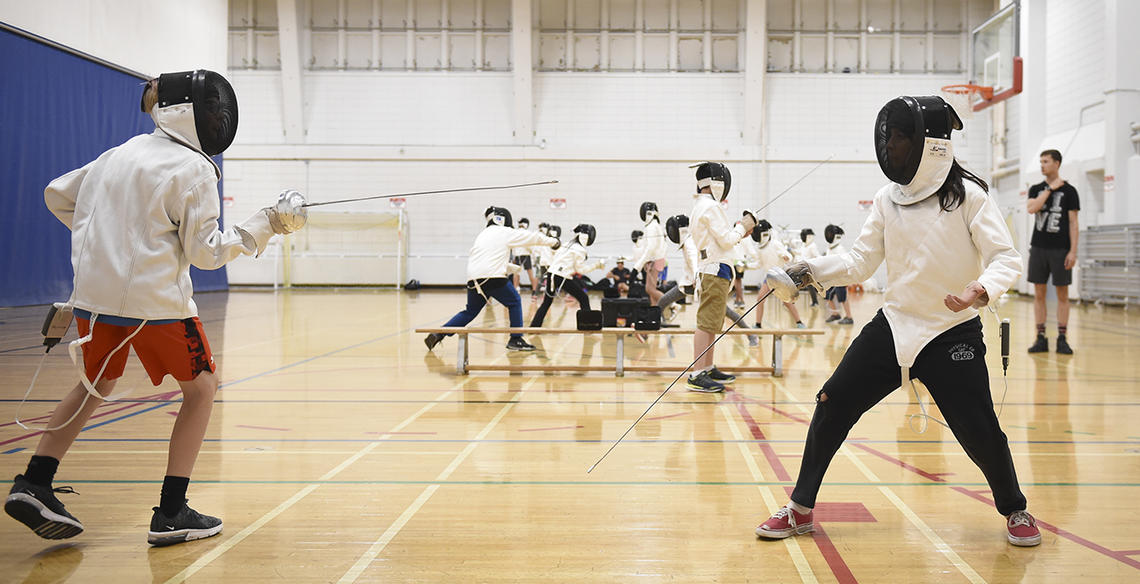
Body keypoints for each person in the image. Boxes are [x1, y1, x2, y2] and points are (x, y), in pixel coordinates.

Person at [5, 70, 305, 546]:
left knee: (95, 382)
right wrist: (265, 224)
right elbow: (207, 255)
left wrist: (106, 242)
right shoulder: (196, 169)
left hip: (95, 299)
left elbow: (58, 195)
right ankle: (171, 511)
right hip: (157, 307)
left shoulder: (118, 154)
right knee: (201, 391)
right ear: (192, 112)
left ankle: (34, 482)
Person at [755, 95, 1040, 548]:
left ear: (931, 145)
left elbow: (1005, 257)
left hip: (950, 331)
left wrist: (979, 289)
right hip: (895, 325)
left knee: (978, 428)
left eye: (901, 137)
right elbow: (859, 262)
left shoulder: (969, 196)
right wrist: (806, 271)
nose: (892, 145)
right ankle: (800, 508)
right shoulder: (889, 199)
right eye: (889, 137)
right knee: (832, 402)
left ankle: (1015, 507)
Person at [424, 207, 559, 352]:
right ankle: (516, 339)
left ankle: (439, 333)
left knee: (470, 311)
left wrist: (511, 268)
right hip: (491, 277)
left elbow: (487, 260)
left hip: (474, 279)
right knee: (514, 301)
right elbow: (532, 237)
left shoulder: (483, 235)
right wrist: (554, 242)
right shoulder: (503, 232)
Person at [686, 162, 757, 393]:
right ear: (717, 182)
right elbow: (726, 240)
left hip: (717, 267)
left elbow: (723, 241)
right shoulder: (710, 207)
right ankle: (697, 374)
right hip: (714, 269)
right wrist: (742, 225)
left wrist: (740, 231)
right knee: (706, 322)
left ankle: (707, 368)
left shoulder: (702, 206)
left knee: (712, 322)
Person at [1026, 149, 1080, 354]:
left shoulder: (1070, 191)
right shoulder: (1036, 188)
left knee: (1062, 293)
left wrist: (1073, 251)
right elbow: (1032, 208)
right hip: (1039, 248)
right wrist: (1049, 189)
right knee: (1039, 293)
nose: (1042, 165)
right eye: (1040, 162)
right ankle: (1040, 337)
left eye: (1046, 161)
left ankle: (1062, 338)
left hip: (1061, 249)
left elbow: (1074, 223)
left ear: (1057, 163)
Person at [530, 224, 605, 327]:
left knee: (547, 302)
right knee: (583, 298)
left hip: (551, 274)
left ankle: (534, 326)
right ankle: (587, 325)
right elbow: (581, 270)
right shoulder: (580, 250)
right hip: (562, 277)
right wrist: (597, 265)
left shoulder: (567, 244)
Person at [751, 220, 805, 329]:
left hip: (781, 277)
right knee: (760, 299)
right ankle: (758, 324)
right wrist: (746, 265)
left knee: (787, 302)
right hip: (769, 277)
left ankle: (799, 322)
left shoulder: (775, 244)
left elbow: (788, 255)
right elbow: (759, 264)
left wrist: (785, 256)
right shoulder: (760, 248)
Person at [631, 202, 668, 305]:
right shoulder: (656, 226)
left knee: (650, 289)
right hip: (657, 260)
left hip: (654, 260)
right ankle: (655, 312)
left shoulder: (651, 227)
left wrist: (637, 267)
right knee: (650, 289)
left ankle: (672, 305)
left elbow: (650, 248)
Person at [821, 224, 854, 325]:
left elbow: (845, 264)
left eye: (830, 233)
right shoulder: (829, 249)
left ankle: (849, 317)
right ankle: (835, 314)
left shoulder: (840, 249)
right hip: (831, 278)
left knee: (842, 298)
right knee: (827, 296)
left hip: (840, 279)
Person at [510, 217, 540, 296]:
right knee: (530, 274)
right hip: (526, 255)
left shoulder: (515, 233)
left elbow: (512, 245)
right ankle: (534, 291)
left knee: (516, 274)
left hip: (517, 256)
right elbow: (532, 247)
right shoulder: (528, 233)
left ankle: (515, 290)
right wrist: (534, 259)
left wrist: (513, 255)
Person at [797, 228, 821, 306]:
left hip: (810, 269)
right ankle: (815, 301)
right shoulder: (804, 245)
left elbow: (817, 257)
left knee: (810, 286)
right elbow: (802, 255)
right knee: (808, 286)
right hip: (803, 268)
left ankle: (815, 302)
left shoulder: (812, 246)